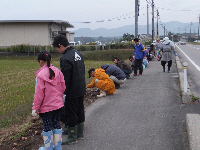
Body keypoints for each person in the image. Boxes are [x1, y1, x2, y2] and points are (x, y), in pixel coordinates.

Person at [53, 34, 86, 145]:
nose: (58, 51)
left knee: (71, 112)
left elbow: (65, 78)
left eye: (57, 48)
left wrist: (63, 92)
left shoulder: (65, 58)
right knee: (80, 110)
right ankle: (79, 133)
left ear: (60, 45)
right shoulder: (78, 54)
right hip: (81, 88)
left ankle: (72, 136)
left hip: (72, 90)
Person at [32, 51, 65, 150]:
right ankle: (58, 146)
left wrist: (35, 107)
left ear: (40, 61)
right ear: (50, 60)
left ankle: (48, 148)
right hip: (58, 105)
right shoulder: (58, 72)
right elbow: (63, 87)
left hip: (46, 108)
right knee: (57, 125)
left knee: (47, 127)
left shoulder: (40, 75)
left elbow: (39, 94)